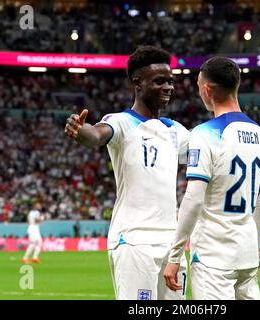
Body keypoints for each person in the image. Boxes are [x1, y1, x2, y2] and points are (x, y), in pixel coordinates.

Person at [164, 57, 260, 299]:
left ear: (207, 90)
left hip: (213, 257)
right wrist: (257, 246)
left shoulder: (204, 134)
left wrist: (174, 256)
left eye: (199, 87)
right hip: (247, 256)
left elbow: (193, 200)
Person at [65, 46, 189, 300]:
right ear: (137, 84)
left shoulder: (176, 130)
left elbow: (216, 158)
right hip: (134, 240)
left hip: (171, 244)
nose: (168, 87)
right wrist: (81, 130)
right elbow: (97, 134)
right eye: (159, 81)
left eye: (170, 81)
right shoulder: (121, 122)